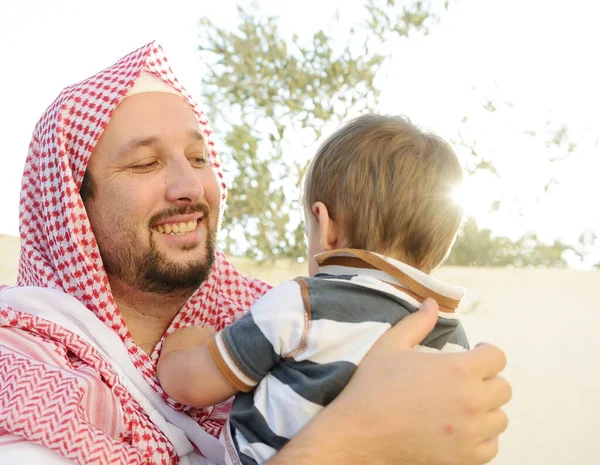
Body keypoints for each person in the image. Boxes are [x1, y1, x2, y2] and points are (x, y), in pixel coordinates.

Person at [0, 42, 510, 465]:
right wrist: (355, 435)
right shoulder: (23, 371)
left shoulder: (275, 314)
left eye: (199, 158)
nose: (189, 186)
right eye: (144, 163)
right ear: (68, 205)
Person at [157, 114, 470, 465]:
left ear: (326, 225)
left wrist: (181, 350)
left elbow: (197, 385)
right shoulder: (453, 337)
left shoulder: (305, 303)